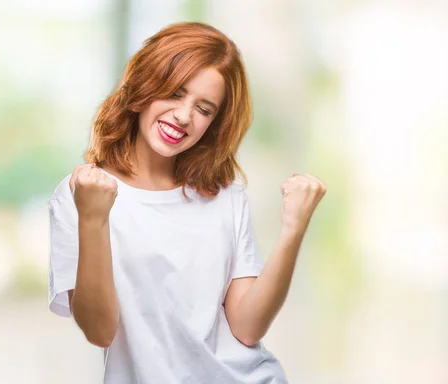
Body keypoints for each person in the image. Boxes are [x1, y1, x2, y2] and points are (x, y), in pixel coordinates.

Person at [48, 22, 326, 383]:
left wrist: (293, 228)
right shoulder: (81, 195)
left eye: (204, 109)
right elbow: (100, 331)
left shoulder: (225, 196)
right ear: (145, 85)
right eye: (175, 93)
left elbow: (247, 328)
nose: (184, 116)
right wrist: (92, 219)